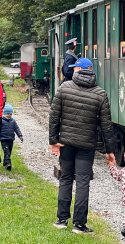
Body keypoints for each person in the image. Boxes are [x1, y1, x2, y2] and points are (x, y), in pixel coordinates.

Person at [49, 57, 115, 234]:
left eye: (74, 68)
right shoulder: (100, 94)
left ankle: (61, 220)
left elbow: (54, 117)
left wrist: (53, 141)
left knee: (65, 179)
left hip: (66, 143)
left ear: (79, 69)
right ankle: (79, 224)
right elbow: (106, 126)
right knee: (83, 182)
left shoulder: (64, 88)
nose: (71, 71)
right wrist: (110, 152)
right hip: (87, 145)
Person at [0, 104, 23, 171]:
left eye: (10, 114)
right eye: (7, 113)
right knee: (6, 152)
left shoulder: (13, 121)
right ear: (4, 113)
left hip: (11, 139)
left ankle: (5, 163)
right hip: (4, 139)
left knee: (9, 152)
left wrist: (20, 135)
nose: (9, 115)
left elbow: (16, 129)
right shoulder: (1, 121)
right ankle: (8, 164)